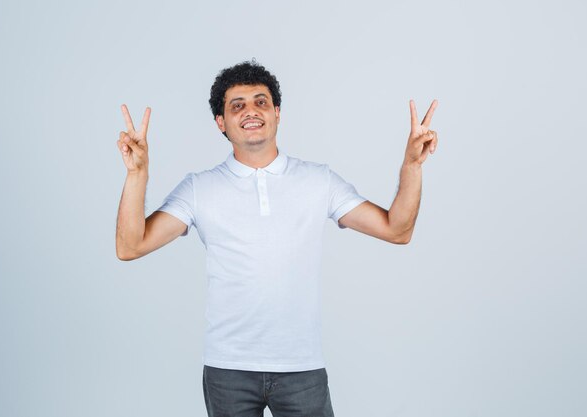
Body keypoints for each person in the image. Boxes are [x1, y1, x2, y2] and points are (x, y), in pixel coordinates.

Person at [115, 60, 438, 417]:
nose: (251, 111)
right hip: (228, 369)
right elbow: (131, 246)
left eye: (261, 101)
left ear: (277, 113)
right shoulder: (198, 189)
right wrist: (137, 174)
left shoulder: (319, 181)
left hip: (302, 368)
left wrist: (412, 165)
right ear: (221, 123)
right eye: (237, 105)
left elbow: (397, 230)